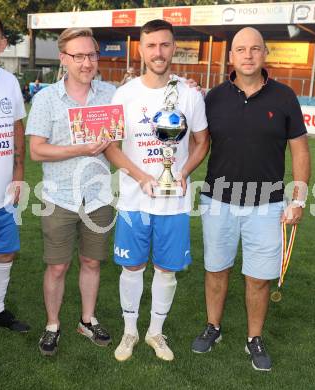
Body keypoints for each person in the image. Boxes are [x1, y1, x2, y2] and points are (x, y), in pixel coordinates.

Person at [191, 27, 311, 371]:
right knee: (216, 270)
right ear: (230, 57)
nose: (247, 55)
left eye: (254, 49)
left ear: (265, 54)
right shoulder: (211, 98)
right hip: (218, 201)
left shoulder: (285, 96)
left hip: (267, 204)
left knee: (258, 278)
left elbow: (300, 150)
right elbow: (196, 144)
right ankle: (213, 327)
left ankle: (253, 338)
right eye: (240, 49)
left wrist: (299, 199)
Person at [105, 19, 208, 362]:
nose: (158, 52)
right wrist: (138, 176)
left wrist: (183, 172)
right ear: (141, 48)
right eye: (151, 45)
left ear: (173, 47)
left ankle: (155, 333)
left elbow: (201, 141)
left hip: (174, 202)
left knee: (167, 270)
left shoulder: (189, 93)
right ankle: (130, 331)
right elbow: (111, 146)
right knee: (131, 268)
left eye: (164, 45)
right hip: (135, 200)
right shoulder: (125, 94)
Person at [26, 27, 116, 356]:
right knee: (57, 266)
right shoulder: (46, 98)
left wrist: (181, 87)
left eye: (92, 54)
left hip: (98, 196)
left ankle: (87, 320)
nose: (87, 62)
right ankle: (52, 325)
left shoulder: (111, 93)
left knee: (92, 261)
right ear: (64, 59)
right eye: (79, 55)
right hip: (58, 196)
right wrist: (79, 149)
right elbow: (36, 150)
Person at [0, 11, 29, 332]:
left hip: (3, 194)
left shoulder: (10, 82)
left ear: (2, 44)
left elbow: (17, 127)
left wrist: (18, 173)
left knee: (5, 253)